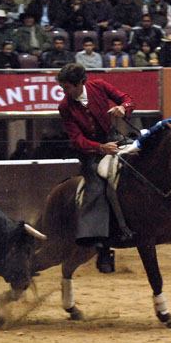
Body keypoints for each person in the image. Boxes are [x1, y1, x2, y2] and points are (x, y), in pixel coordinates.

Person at [56, 63, 134, 272]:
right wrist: (100, 148)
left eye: (66, 87)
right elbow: (77, 140)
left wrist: (123, 108)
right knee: (96, 188)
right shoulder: (64, 107)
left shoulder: (99, 85)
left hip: (114, 139)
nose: (64, 92)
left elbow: (127, 99)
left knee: (142, 156)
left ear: (80, 83)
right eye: (63, 88)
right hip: (91, 152)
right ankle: (100, 244)